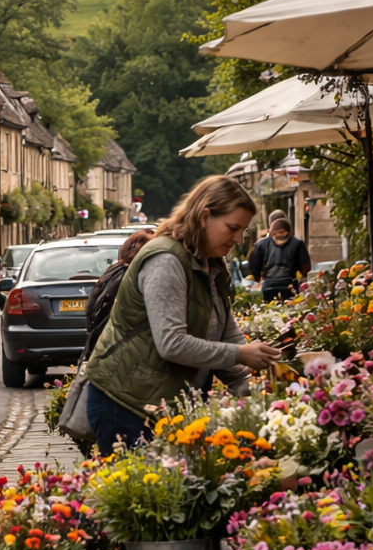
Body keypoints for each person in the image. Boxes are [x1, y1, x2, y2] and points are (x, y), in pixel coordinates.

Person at [85, 175, 283, 454]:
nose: (239, 239)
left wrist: (254, 392)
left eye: (244, 231)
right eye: (233, 228)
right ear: (204, 217)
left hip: (165, 407)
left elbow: (228, 333)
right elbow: (171, 343)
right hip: (127, 405)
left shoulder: (211, 262)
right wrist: (241, 355)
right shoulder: (166, 260)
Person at [80, 227, 155, 362]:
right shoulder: (133, 278)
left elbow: (92, 313)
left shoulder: (114, 270)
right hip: (118, 355)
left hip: (99, 348)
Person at [247, 216, 311, 302]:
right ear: (289, 230)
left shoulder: (260, 244)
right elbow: (306, 268)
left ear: (271, 232)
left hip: (268, 288)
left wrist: (258, 278)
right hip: (290, 287)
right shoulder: (298, 243)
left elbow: (254, 269)